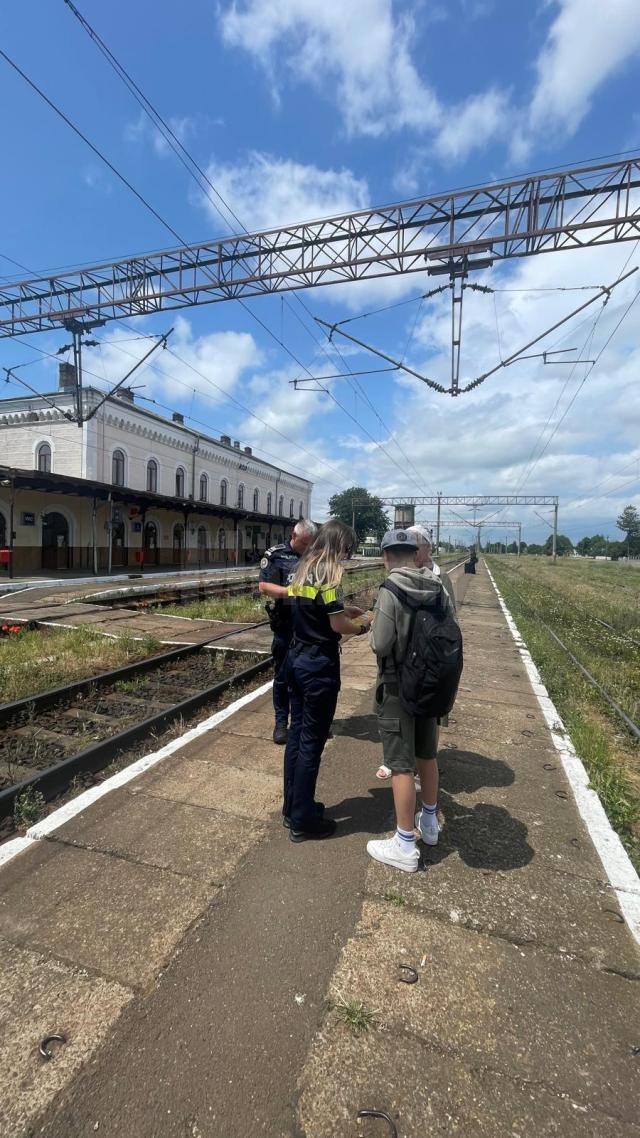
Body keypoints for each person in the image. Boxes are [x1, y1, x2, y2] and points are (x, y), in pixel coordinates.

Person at [366, 529, 456, 873]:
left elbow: (381, 643)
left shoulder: (390, 589)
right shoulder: (437, 586)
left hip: (397, 688)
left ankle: (404, 843)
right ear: (414, 553)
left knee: (401, 765)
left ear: (387, 555)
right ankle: (429, 824)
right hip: (431, 685)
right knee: (427, 755)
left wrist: (374, 626)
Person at [284, 519, 371, 841]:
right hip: (318, 665)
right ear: (339, 545)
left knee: (296, 736)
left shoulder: (302, 568)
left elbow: (313, 610)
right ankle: (304, 820)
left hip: (295, 657)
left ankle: (292, 806)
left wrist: (343, 610)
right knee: (312, 742)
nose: (348, 556)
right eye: (348, 549)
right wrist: (361, 626)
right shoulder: (331, 573)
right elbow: (336, 627)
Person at [259, 520, 317, 744]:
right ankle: (281, 723)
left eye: (309, 544)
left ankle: (302, 722)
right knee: (283, 677)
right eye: (304, 544)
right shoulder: (276, 555)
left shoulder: (313, 555)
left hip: (309, 628)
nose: (306, 548)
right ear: (294, 535)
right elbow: (264, 587)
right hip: (285, 627)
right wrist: (293, 591)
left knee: (306, 678)